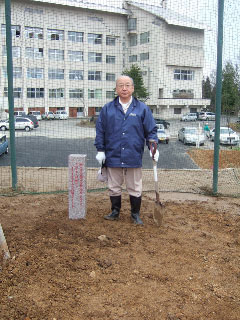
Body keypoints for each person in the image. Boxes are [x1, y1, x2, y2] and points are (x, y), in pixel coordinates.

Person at [94, 75, 159, 225]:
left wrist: (153, 146)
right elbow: (100, 131)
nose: (124, 88)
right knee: (113, 186)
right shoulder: (107, 109)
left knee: (135, 186)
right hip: (113, 154)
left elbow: (151, 131)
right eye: (121, 85)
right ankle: (115, 211)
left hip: (133, 155)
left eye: (127, 85)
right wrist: (100, 150)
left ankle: (135, 214)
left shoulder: (142, 109)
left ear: (132, 88)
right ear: (116, 89)